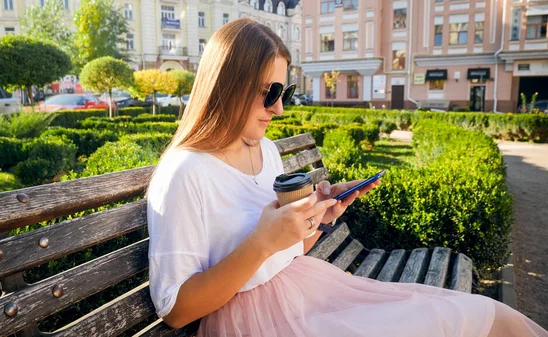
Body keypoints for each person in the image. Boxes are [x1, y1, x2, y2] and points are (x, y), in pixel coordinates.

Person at [147, 18, 548, 337]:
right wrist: (262, 242)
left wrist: (320, 217)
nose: (280, 108)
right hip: (258, 321)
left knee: (483, 314)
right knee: (462, 320)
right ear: (227, 85)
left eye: (284, 92)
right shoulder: (185, 172)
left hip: (308, 293)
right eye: (270, 93)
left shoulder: (265, 151)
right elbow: (178, 311)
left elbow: (290, 252)